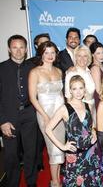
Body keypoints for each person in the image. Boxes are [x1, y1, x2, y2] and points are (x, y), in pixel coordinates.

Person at [45, 75, 102, 187]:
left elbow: (92, 124)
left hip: (90, 152)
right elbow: (48, 129)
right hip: (74, 155)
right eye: (74, 88)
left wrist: (94, 132)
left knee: (92, 181)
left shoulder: (88, 106)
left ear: (84, 89)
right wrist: (62, 146)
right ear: (70, 90)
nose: (78, 92)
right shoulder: (64, 108)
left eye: (81, 88)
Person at [0, 35, 38, 187]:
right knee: (11, 155)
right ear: (9, 49)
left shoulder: (33, 69)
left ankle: (31, 182)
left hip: (30, 115)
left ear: (26, 49)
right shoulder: (1, 69)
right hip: (9, 117)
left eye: (21, 47)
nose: (18, 51)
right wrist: (2, 121)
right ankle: (12, 183)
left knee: (31, 152)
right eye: (14, 47)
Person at [28, 41, 65, 187]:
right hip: (44, 113)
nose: (50, 56)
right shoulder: (35, 72)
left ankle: (56, 179)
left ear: (56, 54)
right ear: (41, 54)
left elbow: (61, 94)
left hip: (59, 114)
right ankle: (55, 182)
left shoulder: (59, 71)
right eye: (46, 52)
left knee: (60, 147)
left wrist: (64, 114)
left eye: (52, 52)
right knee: (53, 149)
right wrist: (44, 116)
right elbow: (32, 98)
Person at [64, 45, 96, 121]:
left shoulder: (89, 72)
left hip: (92, 108)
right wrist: (73, 117)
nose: (82, 59)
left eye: (85, 56)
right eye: (79, 56)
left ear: (89, 57)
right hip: (79, 112)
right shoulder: (71, 73)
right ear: (75, 57)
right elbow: (68, 97)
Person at [90, 41, 103, 108]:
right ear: (93, 55)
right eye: (98, 53)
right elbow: (98, 90)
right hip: (100, 99)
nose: (101, 55)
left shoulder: (102, 66)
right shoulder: (95, 68)